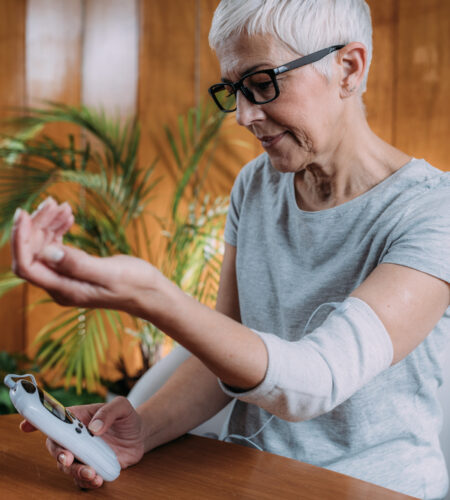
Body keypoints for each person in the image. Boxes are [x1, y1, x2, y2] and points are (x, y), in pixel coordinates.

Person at [11, 0, 450, 497]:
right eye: (234, 90)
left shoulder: (434, 213)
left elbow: (320, 381)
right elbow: (227, 350)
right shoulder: (257, 185)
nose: (243, 115)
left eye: (263, 83)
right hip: (250, 478)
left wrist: (151, 296)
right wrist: (141, 431)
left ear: (348, 68)